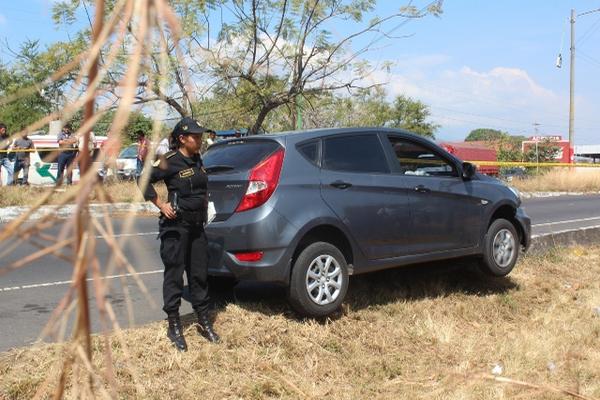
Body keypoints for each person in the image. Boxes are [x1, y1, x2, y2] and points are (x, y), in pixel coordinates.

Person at [138, 117, 219, 351]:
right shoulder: (170, 161)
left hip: (197, 228)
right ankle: (174, 325)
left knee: (199, 274)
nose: (200, 140)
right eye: (196, 137)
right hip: (176, 228)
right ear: (182, 138)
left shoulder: (197, 159)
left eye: (200, 136)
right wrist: (161, 204)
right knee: (174, 275)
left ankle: (203, 320)